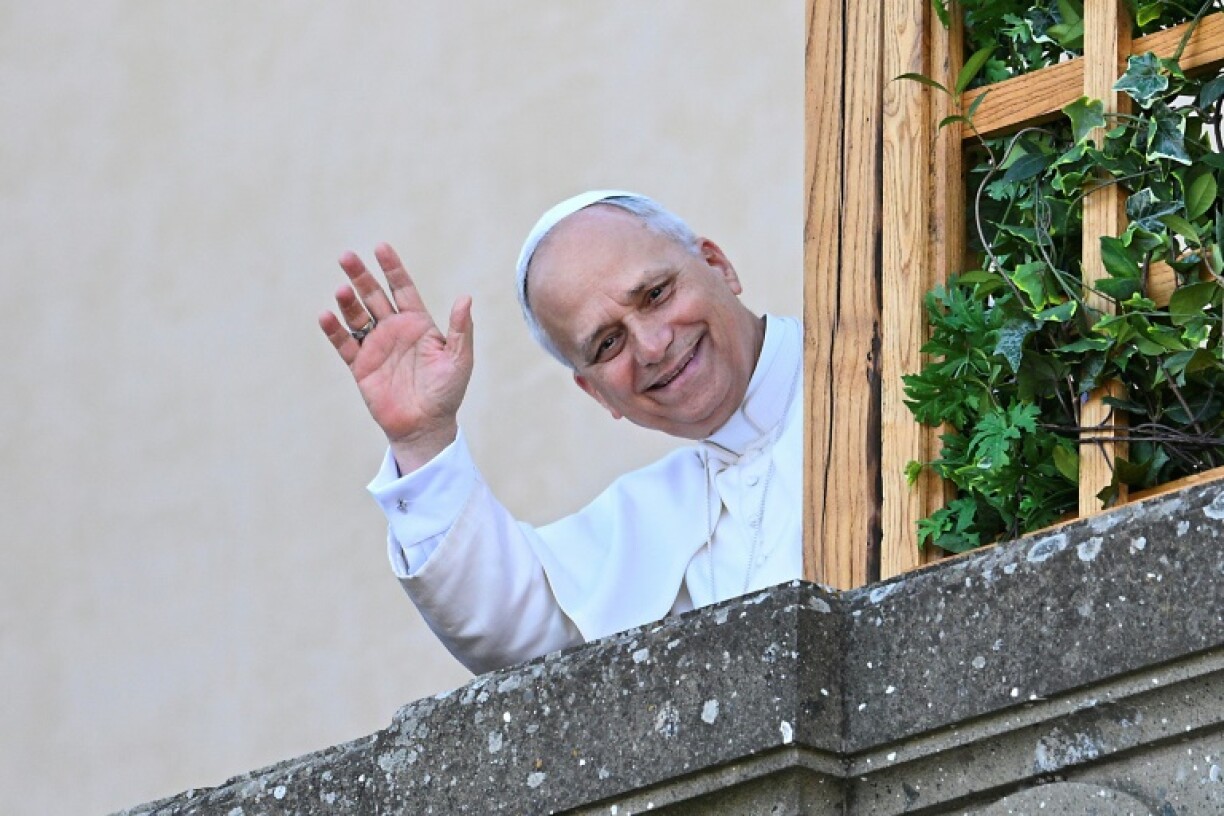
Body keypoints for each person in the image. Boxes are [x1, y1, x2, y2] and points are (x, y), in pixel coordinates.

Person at [319, 191, 803, 674]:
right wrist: (422, 438)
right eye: (608, 343)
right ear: (596, 393)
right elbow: (511, 626)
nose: (653, 346)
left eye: (656, 295)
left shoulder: (872, 369)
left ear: (719, 266)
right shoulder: (648, 515)